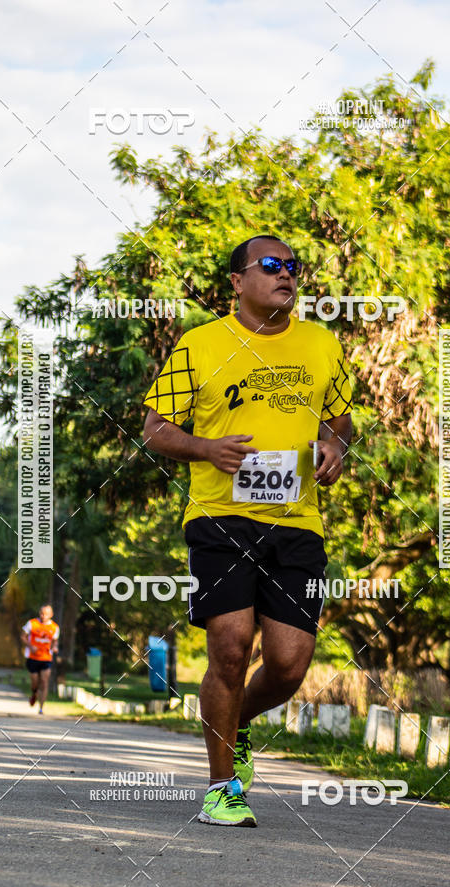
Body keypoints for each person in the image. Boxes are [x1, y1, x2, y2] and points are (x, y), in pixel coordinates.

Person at [143, 235, 352, 827]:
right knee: (230, 650)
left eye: (292, 267)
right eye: (270, 266)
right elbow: (155, 429)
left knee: (289, 664)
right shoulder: (201, 344)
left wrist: (336, 444)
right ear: (237, 282)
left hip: (297, 522)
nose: (285, 275)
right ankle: (220, 790)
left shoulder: (320, 344)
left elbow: (341, 416)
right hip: (219, 517)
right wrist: (205, 447)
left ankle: (235, 728)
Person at [21, 604, 60, 714]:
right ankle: (34, 693)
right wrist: (30, 646)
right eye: (42, 613)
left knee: (44, 681)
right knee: (35, 682)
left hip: (46, 658)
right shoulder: (32, 623)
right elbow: (22, 636)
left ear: (51, 615)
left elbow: (55, 641)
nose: (43, 616)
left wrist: (55, 647)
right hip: (33, 657)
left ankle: (41, 708)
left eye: (46, 614)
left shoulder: (55, 627)